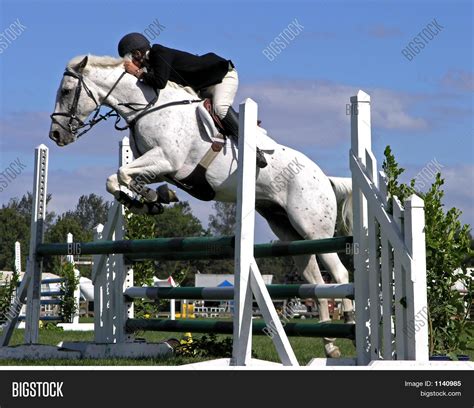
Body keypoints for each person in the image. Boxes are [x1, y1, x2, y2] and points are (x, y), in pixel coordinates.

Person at [117, 33, 267, 168]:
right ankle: (241, 122)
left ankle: (252, 149)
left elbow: (160, 82)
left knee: (220, 108)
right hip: (202, 87)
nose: (129, 65)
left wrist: (136, 72)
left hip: (222, 77)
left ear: (137, 54)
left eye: (129, 60)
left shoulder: (158, 52)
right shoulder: (151, 65)